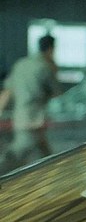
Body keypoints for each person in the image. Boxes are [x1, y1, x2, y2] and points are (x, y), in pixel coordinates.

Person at [1, 34, 63, 171]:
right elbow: (57, 93)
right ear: (51, 49)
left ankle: (55, 171)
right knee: (19, 152)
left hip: (20, 117)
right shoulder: (45, 67)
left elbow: (7, 91)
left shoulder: (21, 64)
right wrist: (55, 70)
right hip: (35, 119)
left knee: (43, 151)